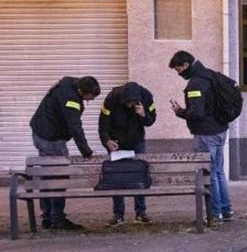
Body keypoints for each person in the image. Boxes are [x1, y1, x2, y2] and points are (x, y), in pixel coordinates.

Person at [168, 51, 233, 222]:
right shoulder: (210, 75)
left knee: (209, 173)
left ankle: (214, 213)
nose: (178, 73)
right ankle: (226, 211)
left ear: (185, 65)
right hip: (220, 130)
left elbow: (197, 113)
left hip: (206, 134)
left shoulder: (195, 84)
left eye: (178, 69)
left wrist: (179, 112)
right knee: (219, 172)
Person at [29, 76, 100, 230]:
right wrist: (85, 150)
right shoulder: (71, 100)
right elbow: (75, 127)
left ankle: (48, 217)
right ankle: (57, 218)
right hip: (50, 137)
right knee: (58, 176)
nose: (91, 100)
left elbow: (63, 79)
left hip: (40, 131)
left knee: (47, 175)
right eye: (90, 97)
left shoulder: (69, 82)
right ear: (82, 91)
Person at [99, 82, 157, 226]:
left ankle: (141, 212)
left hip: (136, 140)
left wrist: (143, 114)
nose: (130, 105)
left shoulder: (147, 96)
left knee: (139, 175)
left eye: (132, 103)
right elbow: (103, 123)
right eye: (127, 103)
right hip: (116, 141)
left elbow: (151, 120)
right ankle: (118, 214)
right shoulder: (112, 98)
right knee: (116, 177)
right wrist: (106, 140)